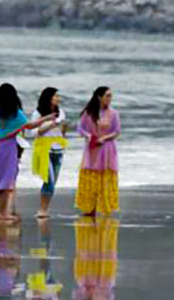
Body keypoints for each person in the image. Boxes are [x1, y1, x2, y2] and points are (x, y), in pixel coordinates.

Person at [0, 83, 53, 222]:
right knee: (6, 180)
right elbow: (30, 125)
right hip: (7, 148)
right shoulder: (15, 111)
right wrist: (46, 118)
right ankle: (3, 213)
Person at [75, 86, 120, 216]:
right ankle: (90, 207)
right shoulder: (89, 113)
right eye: (107, 96)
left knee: (105, 176)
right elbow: (80, 129)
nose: (110, 98)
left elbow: (117, 131)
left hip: (107, 148)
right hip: (92, 148)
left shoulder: (113, 113)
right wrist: (89, 136)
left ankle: (106, 206)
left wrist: (104, 138)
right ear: (99, 97)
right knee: (91, 175)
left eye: (111, 96)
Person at [28, 87, 70, 219]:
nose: (58, 98)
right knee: (49, 180)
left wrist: (63, 129)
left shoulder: (61, 112)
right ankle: (42, 209)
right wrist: (51, 124)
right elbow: (33, 132)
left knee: (53, 182)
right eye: (55, 96)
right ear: (48, 98)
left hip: (58, 149)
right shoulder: (38, 113)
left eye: (58, 96)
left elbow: (62, 132)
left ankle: (45, 209)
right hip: (44, 149)